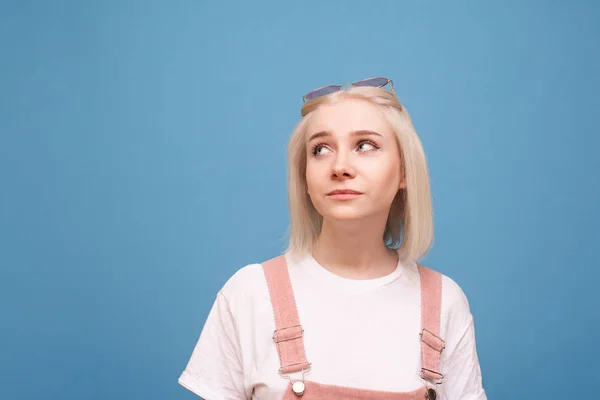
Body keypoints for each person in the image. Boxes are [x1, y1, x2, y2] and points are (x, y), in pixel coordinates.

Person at [178, 78, 487, 400]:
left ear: (405, 171)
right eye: (320, 149)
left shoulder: (443, 302)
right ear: (305, 177)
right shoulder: (249, 294)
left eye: (365, 145)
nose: (340, 167)